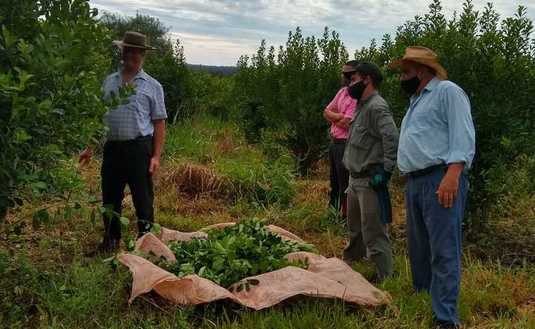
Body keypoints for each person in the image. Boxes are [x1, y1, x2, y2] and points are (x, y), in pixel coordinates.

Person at [391, 46, 475, 329]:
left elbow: (462, 134)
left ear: (422, 70)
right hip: (416, 181)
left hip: (440, 178)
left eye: (405, 72)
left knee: (443, 249)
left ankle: (446, 318)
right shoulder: (416, 100)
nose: (401, 78)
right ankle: (422, 297)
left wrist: (452, 175)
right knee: (419, 248)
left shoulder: (447, 92)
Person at [79, 31, 167, 253]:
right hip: (113, 149)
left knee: (143, 199)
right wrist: (90, 148)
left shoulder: (152, 86)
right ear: (122, 51)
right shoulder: (109, 82)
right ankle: (110, 241)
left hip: (139, 149)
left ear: (143, 54)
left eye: (135, 51)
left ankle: (146, 245)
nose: (130, 55)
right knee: (110, 197)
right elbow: (100, 117)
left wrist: (156, 156)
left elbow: (159, 123)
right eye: (127, 50)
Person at [342, 62, 398, 282]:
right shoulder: (361, 105)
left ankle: (385, 277)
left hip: (369, 180)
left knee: (374, 231)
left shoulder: (377, 107)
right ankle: (351, 267)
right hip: (354, 179)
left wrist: (385, 170)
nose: (349, 83)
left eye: (354, 79)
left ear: (367, 80)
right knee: (355, 229)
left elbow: (391, 139)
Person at [323, 60, 359, 218]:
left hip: (347, 144)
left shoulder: (356, 97)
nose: (344, 76)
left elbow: (348, 123)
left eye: (348, 73)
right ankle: (334, 212)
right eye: (343, 73)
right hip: (335, 144)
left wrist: (335, 118)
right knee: (335, 181)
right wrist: (338, 117)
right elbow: (326, 112)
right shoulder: (342, 92)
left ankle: (347, 217)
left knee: (346, 182)